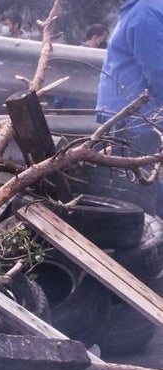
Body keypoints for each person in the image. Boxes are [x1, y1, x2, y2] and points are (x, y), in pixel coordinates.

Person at [96, 0, 163, 216]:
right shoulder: (137, 10)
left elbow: (158, 71)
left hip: (138, 121)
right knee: (128, 186)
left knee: (134, 192)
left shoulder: (145, 12)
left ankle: (148, 243)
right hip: (130, 117)